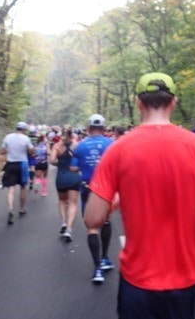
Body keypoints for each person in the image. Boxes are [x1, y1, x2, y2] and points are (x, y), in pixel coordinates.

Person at [84, 72, 195, 318]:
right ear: (174, 102)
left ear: (139, 103)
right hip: (186, 277)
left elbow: (93, 219)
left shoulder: (117, 150)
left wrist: (118, 199)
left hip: (138, 278)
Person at [71, 114, 114, 284]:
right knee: (106, 221)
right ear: (104, 129)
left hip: (88, 188)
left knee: (92, 228)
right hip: (106, 189)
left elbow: (73, 167)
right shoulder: (112, 144)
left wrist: (85, 165)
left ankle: (97, 269)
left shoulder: (80, 146)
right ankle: (104, 258)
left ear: (88, 129)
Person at [49, 125, 80, 242]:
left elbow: (51, 161)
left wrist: (60, 163)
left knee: (62, 200)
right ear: (72, 133)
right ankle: (69, 230)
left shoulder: (57, 146)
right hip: (73, 177)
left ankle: (63, 222)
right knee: (72, 204)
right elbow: (80, 160)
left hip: (61, 177)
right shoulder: (76, 145)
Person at [1, 122, 35, 225]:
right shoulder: (26, 139)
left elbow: (2, 151)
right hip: (22, 164)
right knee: (23, 186)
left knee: (11, 189)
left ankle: (10, 209)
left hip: (10, 164)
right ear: (24, 129)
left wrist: (10, 150)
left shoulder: (8, 137)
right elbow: (32, 151)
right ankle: (21, 208)